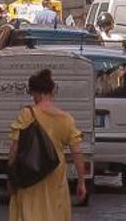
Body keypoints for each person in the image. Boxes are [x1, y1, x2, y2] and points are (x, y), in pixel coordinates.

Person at [6, 67, 87, 216]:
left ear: (35, 93)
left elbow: (14, 150)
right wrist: (81, 181)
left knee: (30, 213)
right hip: (55, 175)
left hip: (28, 175)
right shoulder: (66, 119)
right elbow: (77, 152)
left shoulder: (26, 114)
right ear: (52, 92)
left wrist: (11, 177)